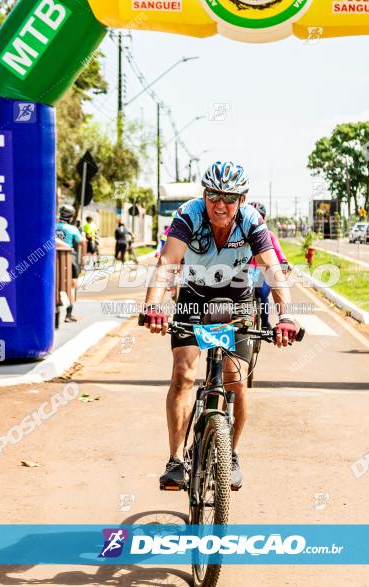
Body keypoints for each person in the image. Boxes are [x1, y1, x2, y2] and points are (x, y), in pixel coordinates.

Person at [141, 161, 300, 491]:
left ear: (242, 199)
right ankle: (175, 461)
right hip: (194, 298)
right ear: (204, 194)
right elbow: (168, 262)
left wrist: (285, 315)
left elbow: (271, 267)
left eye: (229, 197)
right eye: (213, 195)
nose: (220, 204)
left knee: (236, 381)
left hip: (237, 300)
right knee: (184, 372)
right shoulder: (189, 215)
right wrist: (154, 305)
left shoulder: (252, 222)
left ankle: (232, 455)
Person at [246, 201, 289, 328]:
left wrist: (284, 264)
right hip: (245, 271)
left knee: (262, 295)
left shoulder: (269, 235)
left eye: (259, 216)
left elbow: (279, 253)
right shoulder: (240, 233)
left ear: (263, 219)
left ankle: (264, 323)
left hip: (262, 272)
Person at [55, 204, 84, 322]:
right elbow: (82, 242)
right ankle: (69, 314)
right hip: (69, 258)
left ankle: (55, 312)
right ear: (71, 217)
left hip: (53, 257)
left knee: (54, 285)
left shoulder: (52, 226)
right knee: (71, 286)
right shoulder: (73, 229)